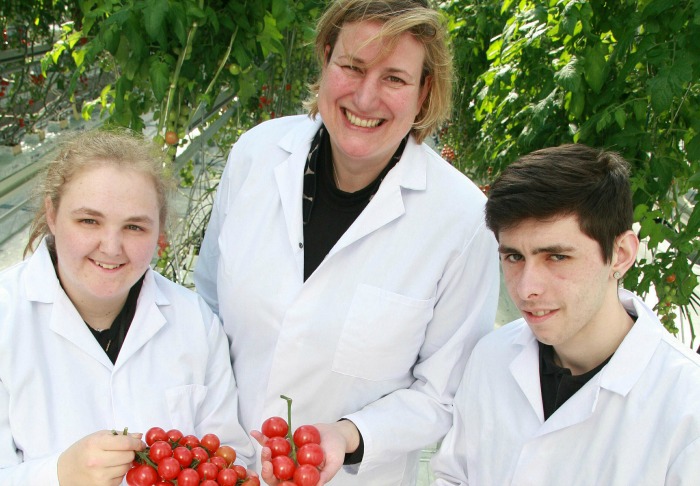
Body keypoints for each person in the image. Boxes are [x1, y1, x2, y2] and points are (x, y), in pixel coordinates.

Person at [193, 0, 500, 483]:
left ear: (424, 94)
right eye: (352, 67)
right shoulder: (256, 154)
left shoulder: (460, 220)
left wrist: (347, 434)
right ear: (326, 61)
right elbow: (205, 307)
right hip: (225, 468)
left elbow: (443, 391)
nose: (365, 96)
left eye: (394, 79)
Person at [430, 144, 700, 485]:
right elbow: (455, 476)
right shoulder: (490, 357)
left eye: (556, 257)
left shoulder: (687, 406)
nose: (527, 289)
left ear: (620, 254)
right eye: (513, 257)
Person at [0, 130, 255, 485]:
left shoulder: (193, 321)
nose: (111, 247)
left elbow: (230, 456)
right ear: (52, 213)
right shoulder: (6, 318)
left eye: (134, 227)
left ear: (159, 234)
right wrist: (58, 474)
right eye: (89, 221)